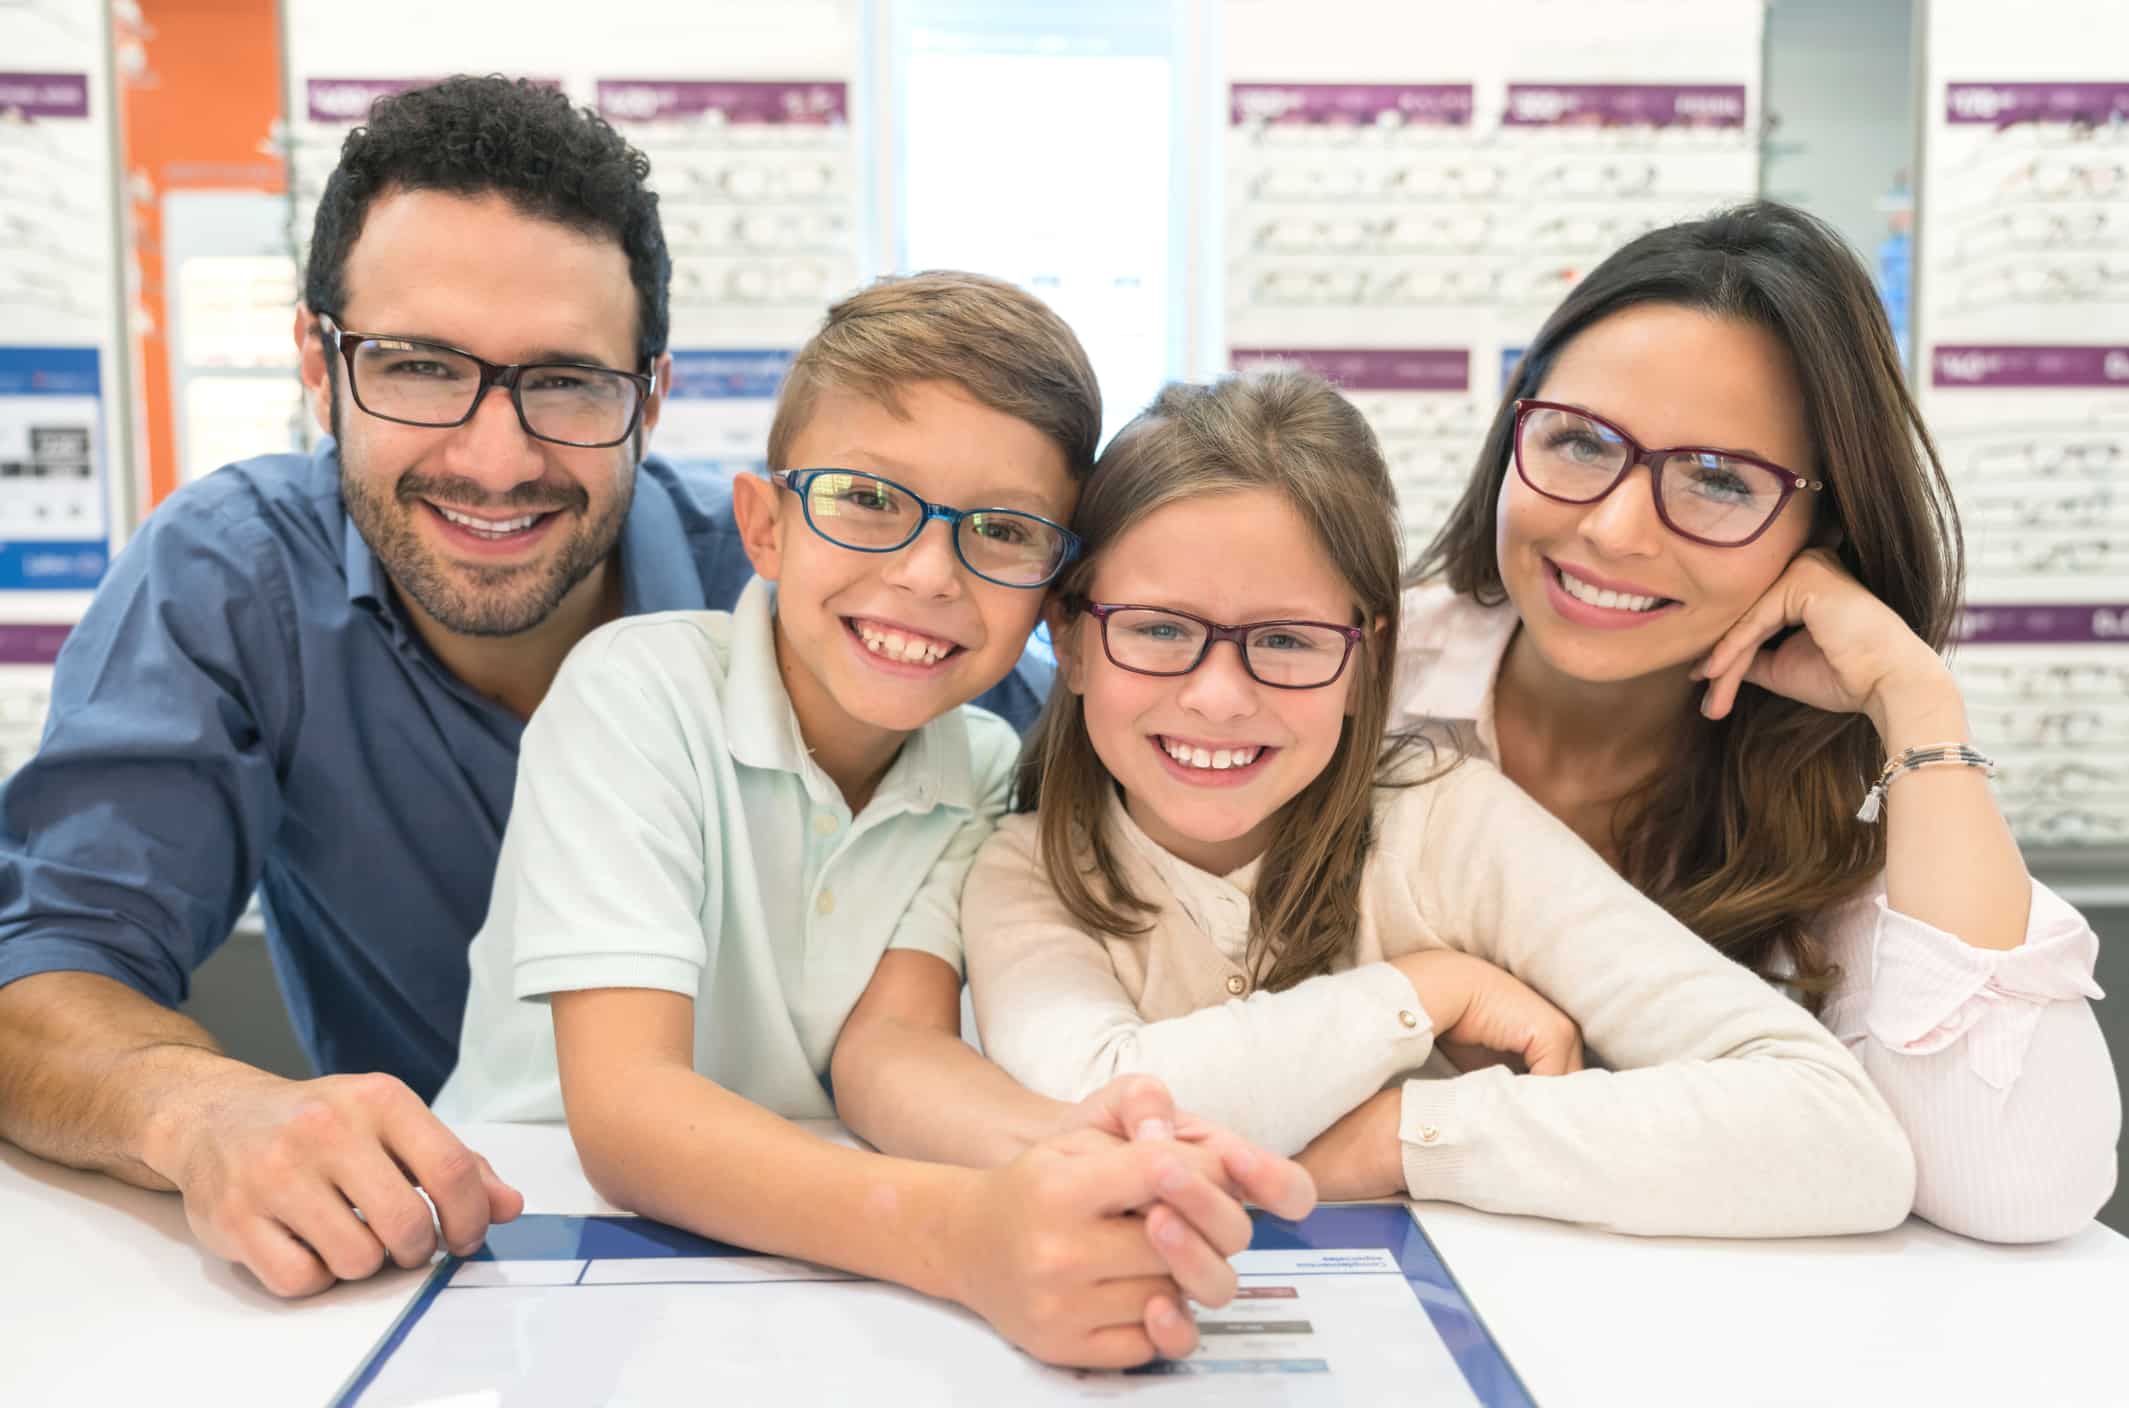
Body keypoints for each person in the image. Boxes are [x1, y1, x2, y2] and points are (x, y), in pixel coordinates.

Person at [0, 75, 1046, 1301]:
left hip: (818, 1274)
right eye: (417, 366)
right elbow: (43, 962)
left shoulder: (824, 599)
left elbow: (1079, 772)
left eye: (565, 383)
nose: (493, 461)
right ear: (316, 362)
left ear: (648, 398)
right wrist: (202, 1110)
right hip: (415, 1276)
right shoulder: (231, 582)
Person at [433, 272, 1315, 1369]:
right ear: (763, 525)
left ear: (1049, 594)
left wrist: (1097, 1150)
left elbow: (887, 1050)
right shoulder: (635, 691)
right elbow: (626, 1113)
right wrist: (960, 1238)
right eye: (865, 499)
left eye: (999, 530)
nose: (926, 573)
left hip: (804, 1261)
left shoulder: (986, 767)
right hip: (537, 1251)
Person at [961, 367, 1917, 1237]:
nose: (1218, 695)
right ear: (1071, 640)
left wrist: (1403, 1137)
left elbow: (1841, 1139)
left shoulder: (1444, 820)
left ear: (1367, 655)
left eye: (1287, 640)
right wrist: (1416, 992)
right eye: (1160, 629)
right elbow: (1102, 1112)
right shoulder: (1023, 867)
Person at [1391, 200, 2117, 1242]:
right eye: (1577, 441)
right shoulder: (1342, 680)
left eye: (1718, 480)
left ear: (1823, 527)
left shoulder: (1841, 777)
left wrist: (1916, 706)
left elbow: (2017, 1185)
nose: (1611, 527)